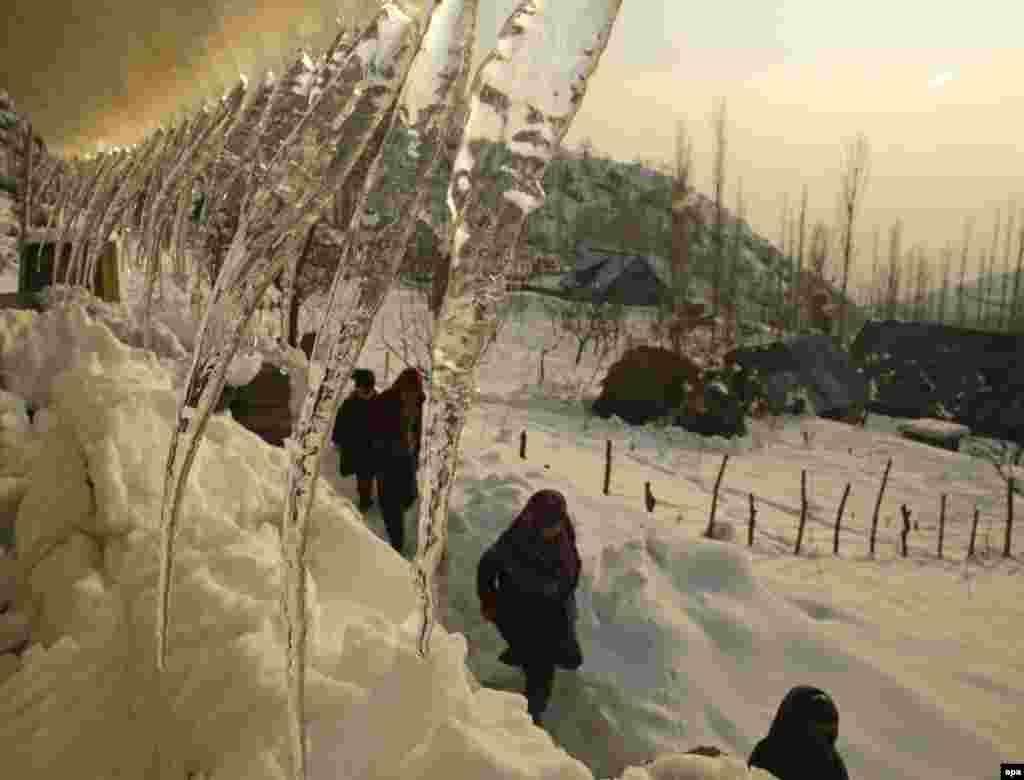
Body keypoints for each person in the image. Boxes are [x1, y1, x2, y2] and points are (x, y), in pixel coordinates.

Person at [477, 489, 583, 726]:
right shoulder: (517, 539)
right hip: (518, 606)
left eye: (557, 523)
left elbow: (573, 567)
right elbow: (486, 565)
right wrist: (488, 600)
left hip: (554, 607)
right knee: (541, 668)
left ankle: (524, 653)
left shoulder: (563, 531)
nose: (555, 529)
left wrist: (561, 589)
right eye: (549, 525)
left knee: (570, 658)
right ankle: (529, 723)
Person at [366, 367, 425, 555]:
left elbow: (417, 430)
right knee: (390, 505)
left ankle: (397, 537)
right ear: (401, 386)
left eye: (415, 391)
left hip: (406, 460)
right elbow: (372, 431)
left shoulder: (417, 402)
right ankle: (396, 547)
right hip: (386, 461)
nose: (412, 395)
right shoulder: (384, 401)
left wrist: (415, 454)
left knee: (408, 498)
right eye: (409, 390)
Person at [748, 686, 850, 780]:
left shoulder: (833, 768)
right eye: (816, 735)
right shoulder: (765, 756)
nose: (823, 746)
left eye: (829, 738)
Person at [332, 369, 378, 512]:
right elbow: (340, 422)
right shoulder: (350, 403)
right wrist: (337, 440)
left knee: (369, 473)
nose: (363, 392)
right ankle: (365, 500)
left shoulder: (380, 401)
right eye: (360, 388)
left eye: (366, 389)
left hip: (374, 445)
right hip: (356, 445)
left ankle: (369, 499)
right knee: (363, 474)